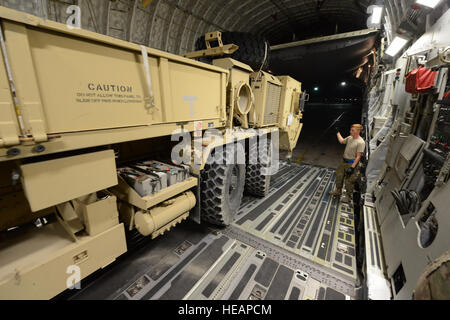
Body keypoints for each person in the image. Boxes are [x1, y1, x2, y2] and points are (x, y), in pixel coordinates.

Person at [329, 124, 365, 204]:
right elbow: (342, 141)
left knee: (349, 181)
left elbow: (358, 156)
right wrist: (337, 132)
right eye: (351, 130)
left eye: (352, 130)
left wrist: (352, 168)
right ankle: (338, 191)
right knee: (339, 176)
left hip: (351, 164)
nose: (350, 131)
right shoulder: (350, 138)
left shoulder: (361, 142)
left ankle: (348, 197)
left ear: (358, 131)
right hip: (344, 162)